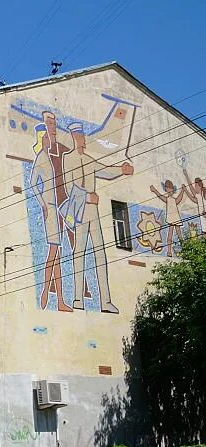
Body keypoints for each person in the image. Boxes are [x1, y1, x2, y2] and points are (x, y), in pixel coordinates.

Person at [65, 122, 133, 313]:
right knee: (79, 252)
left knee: (100, 252)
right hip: (79, 209)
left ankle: (106, 301)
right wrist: (87, 196)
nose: (83, 140)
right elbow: (68, 186)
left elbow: (106, 170)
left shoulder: (89, 159)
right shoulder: (67, 159)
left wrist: (122, 170)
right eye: (80, 136)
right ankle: (78, 298)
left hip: (92, 210)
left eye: (84, 137)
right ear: (74, 138)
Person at [28, 112, 74, 311]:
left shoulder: (50, 156)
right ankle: (48, 292)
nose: (49, 137)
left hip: (58, 207)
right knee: (53, 253)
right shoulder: (41, 158)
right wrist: (44, 205)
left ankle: (58, 298)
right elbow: (33, 184)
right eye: (46, 136)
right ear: (42, 139)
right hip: (51, 209)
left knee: (56, 254)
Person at [149, 180, 186, 255]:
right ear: (166, 189)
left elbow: (179, 199)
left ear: (172, 189)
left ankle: (185, 248)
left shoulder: (173, 200)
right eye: (167, 189)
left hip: (176, 217)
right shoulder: (168, 199)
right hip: (171, 218)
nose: (169, 191)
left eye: (170, 189)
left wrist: (182, 190)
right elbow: (160, 196)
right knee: (170, 234)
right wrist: (154, 190)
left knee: (179, 234)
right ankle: (169, 251)